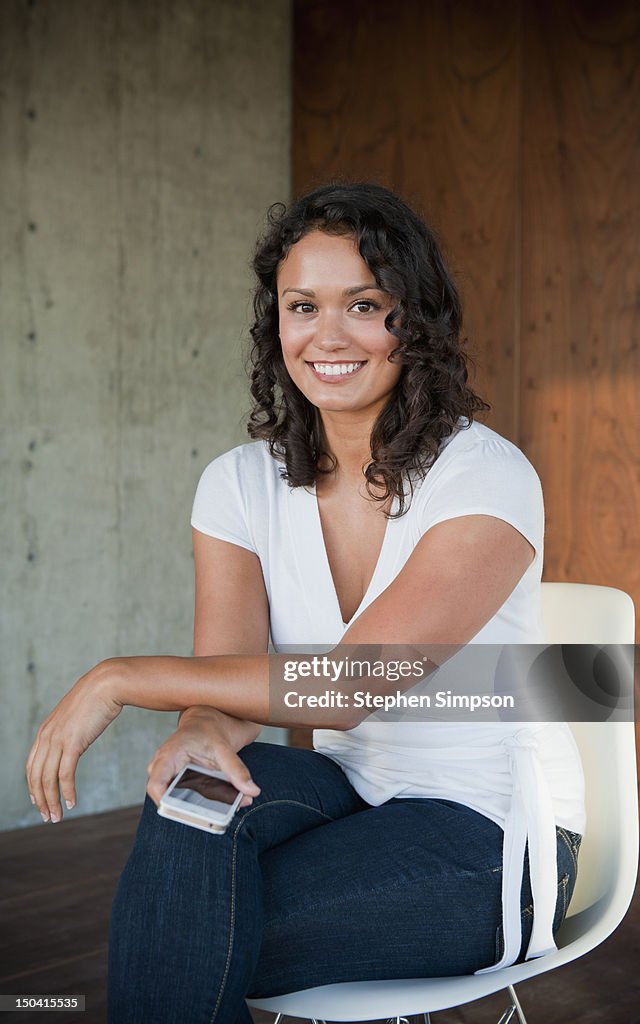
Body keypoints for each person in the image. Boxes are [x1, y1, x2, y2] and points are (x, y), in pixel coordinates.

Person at [25, 183, 585, 1024]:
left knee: (182, 930)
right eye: (302, 306)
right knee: (186, 804)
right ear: (274, 323)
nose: (327, 335)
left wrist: (116, 678)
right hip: (345, 787)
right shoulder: (238, 484)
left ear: (415, 321)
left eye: (364, 304)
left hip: (493, 835)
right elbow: (221, 696)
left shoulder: (485, 475)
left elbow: (356, 685)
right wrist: (197, 732)